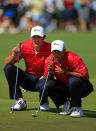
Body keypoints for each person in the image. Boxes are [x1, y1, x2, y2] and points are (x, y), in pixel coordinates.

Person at [37, 40, 93, 117]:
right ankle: (67, 104)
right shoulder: (49, 60)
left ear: (64, 51)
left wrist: (66, 72)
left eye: (58, 52)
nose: (56, 54)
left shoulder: (72, 58)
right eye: (54, 52)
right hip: (64, 87)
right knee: (43, 85)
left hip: (82, 88)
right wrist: (50, 71)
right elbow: (47, 78)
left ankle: (77, 108)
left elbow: (86, 76)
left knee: (73, 81)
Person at [4, 25, 51, 111]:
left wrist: (45, 75)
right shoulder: (24, 46)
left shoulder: (51, 48)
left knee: (50, 77)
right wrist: (14, 54)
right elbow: (6, 63)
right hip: (28, 78)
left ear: (44, 37)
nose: (36, 40)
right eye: (34, 37)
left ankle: (44, 101)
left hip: (43, 79)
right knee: (8, 68)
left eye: (39, 37)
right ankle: (21, 101)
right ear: (31, 37)